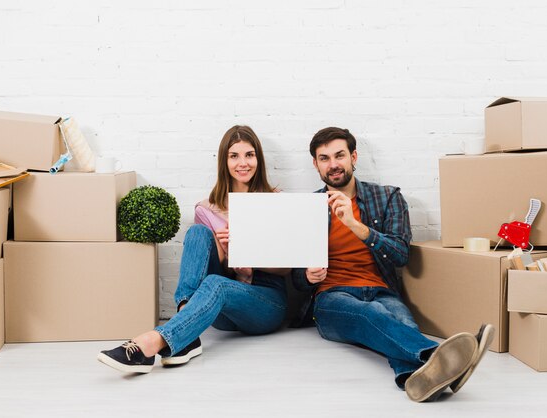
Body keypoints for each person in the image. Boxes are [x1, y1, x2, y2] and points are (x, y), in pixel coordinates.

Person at [292, 127, 494, 402]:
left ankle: (418, 382)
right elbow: (295, 280)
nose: (333, 164)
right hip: (331, 297)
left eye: (339, 155)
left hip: (382, 289)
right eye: (324, 158)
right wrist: (307, 276)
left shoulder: (387, 198)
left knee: (400, 323)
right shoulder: (306, 208)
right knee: (370, 313)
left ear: (354, 157)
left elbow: (400, 255)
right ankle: (441, 357)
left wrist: (355, 225)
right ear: (315, 164)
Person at [98, 125, 289, 373]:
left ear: (258, 159)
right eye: (234, 156)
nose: (243, 163)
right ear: (224, 161)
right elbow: (214, 270)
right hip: (219, 308)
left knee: (215, 284)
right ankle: (185, 324)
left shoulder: (277, 201)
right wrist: (229, 253)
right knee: (197, 234)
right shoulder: (207, 209)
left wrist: (250, 262)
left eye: (249, 155)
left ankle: (150, 344)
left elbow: (286, 269)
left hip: (265, 304)